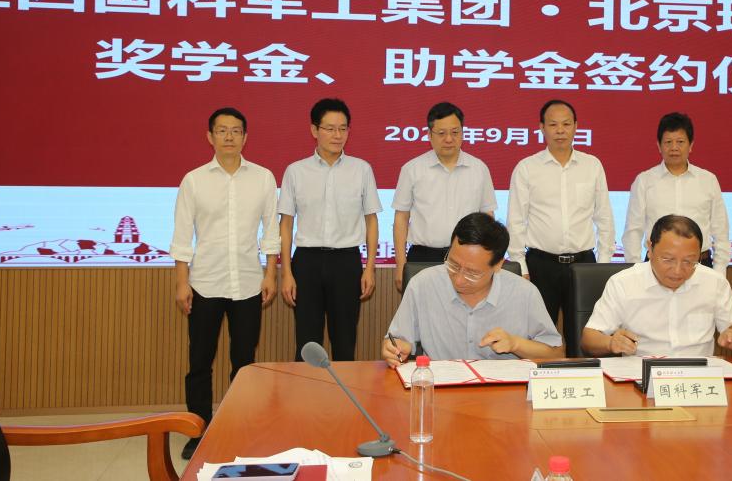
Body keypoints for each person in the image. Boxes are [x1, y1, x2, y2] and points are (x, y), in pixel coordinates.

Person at [170, 107, 280, 460]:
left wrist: (270, 274)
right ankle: (197, 430)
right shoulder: (194, 180)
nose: (229, 137)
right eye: (222, 130)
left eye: (235, 131)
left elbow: (271, 232)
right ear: (210, 136)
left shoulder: (263, 178)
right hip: (205, 282)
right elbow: (182, 236)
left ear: (245, 137)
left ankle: (239, 426)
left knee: (244, 362)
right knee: (200, 361)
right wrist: (182, 282)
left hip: (248, 282)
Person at [382, 213, 562, 366]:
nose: (459, 279)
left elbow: (556, 354)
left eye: (472, 273)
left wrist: (516, 344)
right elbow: (396, 341)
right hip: (442, 389)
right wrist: (393, 349)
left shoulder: (525, 293)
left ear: (498, 265)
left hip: (502, 392)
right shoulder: (422, 285)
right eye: (453, 265)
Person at [279, 98, 382, 361]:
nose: (337, 135)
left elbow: (371, 220)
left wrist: (369, 268)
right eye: (330, 128)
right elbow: (286, 224)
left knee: (344, 341)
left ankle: (342, 390)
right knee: (307, 342)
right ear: (314, 130)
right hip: (306, 262)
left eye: (343, 128)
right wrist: (287, 273)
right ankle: (307, 388)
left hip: (346, 262)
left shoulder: (361, 170)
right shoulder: (296, 171)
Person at [506, 100, 615, 325]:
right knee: (539, 333)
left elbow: (604, 217)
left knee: (584, 333)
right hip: (540, 265)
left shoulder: (592, 165)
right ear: (541, 127)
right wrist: (521, 266)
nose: (560, 130)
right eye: (553, 124)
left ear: (576, 126)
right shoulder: (527, 168)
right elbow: (516, 221)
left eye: (566, 124)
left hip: (584, 264)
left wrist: (603, 265)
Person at [581, 215, 732, 357]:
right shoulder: (623, 283)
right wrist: (610, 343)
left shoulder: (714, 282)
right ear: (650, 249)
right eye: (668, 259)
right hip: (641, 375)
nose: (677, 270)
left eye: (688, 261)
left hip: (697, 376)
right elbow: (589, 338)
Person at [391, 102, 497, 291]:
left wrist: (489, 259)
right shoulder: (412, 169)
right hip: (423, 258)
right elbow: (401, 218)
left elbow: (487, 217)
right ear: (429, 135)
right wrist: (401, 264)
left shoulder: (479, 169)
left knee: (467, 309)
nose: (449, 139)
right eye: (441, 133)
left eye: (455, 132)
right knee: (422, 310)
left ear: (462, 133)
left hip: (468, 258)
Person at [621, 112, 731, 273]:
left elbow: (721, 231)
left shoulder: (708, 180)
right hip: (656, 266)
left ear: (691, 145)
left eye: (680, 142)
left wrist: (719, 272)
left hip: (699, 265)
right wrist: (636, 272)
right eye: (668, 142)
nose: (674, 148)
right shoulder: (644, 181)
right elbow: (633, 231)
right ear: (659, 146)